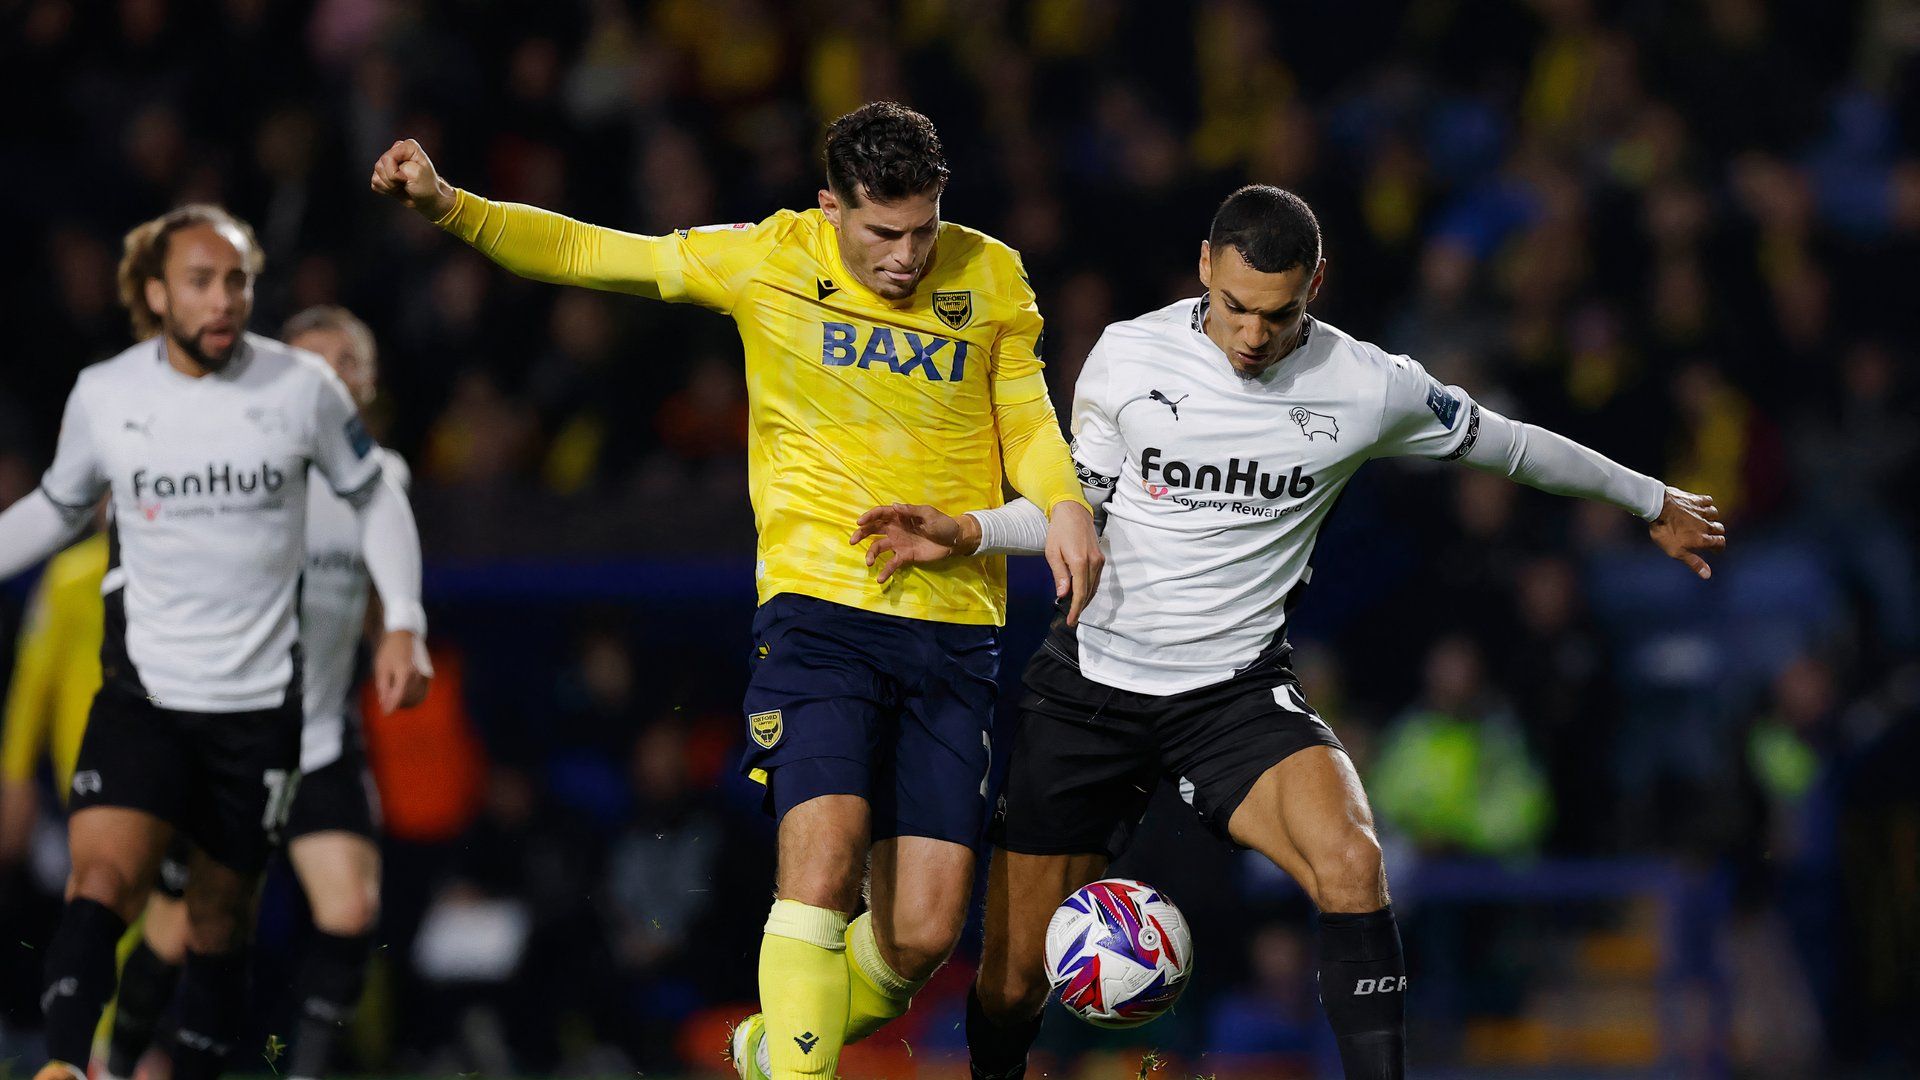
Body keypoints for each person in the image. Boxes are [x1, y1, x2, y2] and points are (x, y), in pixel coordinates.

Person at [849, 185, 1726, 1080]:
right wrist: (971, 530)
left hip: (1232, 697)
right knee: (1010, 979)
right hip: (1090, 686)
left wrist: (1649, 498)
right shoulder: (1127, 355)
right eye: (1234, 307)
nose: (1253, 336)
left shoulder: (1368, 385)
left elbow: (1510, 444)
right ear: (1204, 268)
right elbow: (1082, 517)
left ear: (1316, 285)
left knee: (1352, 860)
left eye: (1279, 313)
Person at [370, 101, 1101, 1080]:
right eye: (883, 233)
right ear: (829, 206)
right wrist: (452, 207)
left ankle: (773, 1049)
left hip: (956, 628)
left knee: (921, 933)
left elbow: (1032, 425)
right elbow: (597, 256)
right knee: (824, 860)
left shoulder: (991, 273)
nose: (906, 256)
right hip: (819, 611)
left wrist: (1063, 506)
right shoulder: (768, 257)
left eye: (923, 227)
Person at [0, 205, 432, 1080]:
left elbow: (375, 493)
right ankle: (64, 1066)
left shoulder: (299, 391)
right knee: (100, 885)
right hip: (144, 699)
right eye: (201, 281)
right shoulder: (109, 395)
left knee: (214, 924)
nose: (223, 298)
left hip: (257, 713)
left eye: (237, 279)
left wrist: (407, 622)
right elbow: (56, 506)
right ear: (156, 293)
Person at [100, 305, 413, 1080]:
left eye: (345, 360)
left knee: (350, 911)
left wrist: (397, 641)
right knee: (180, 931)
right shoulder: (236, 467)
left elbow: (373, 592)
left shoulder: (386, 479)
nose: (327, 374)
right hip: (230, 741)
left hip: (321, 739)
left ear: (367, 383)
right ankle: (113, 1060)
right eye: (309, 360)